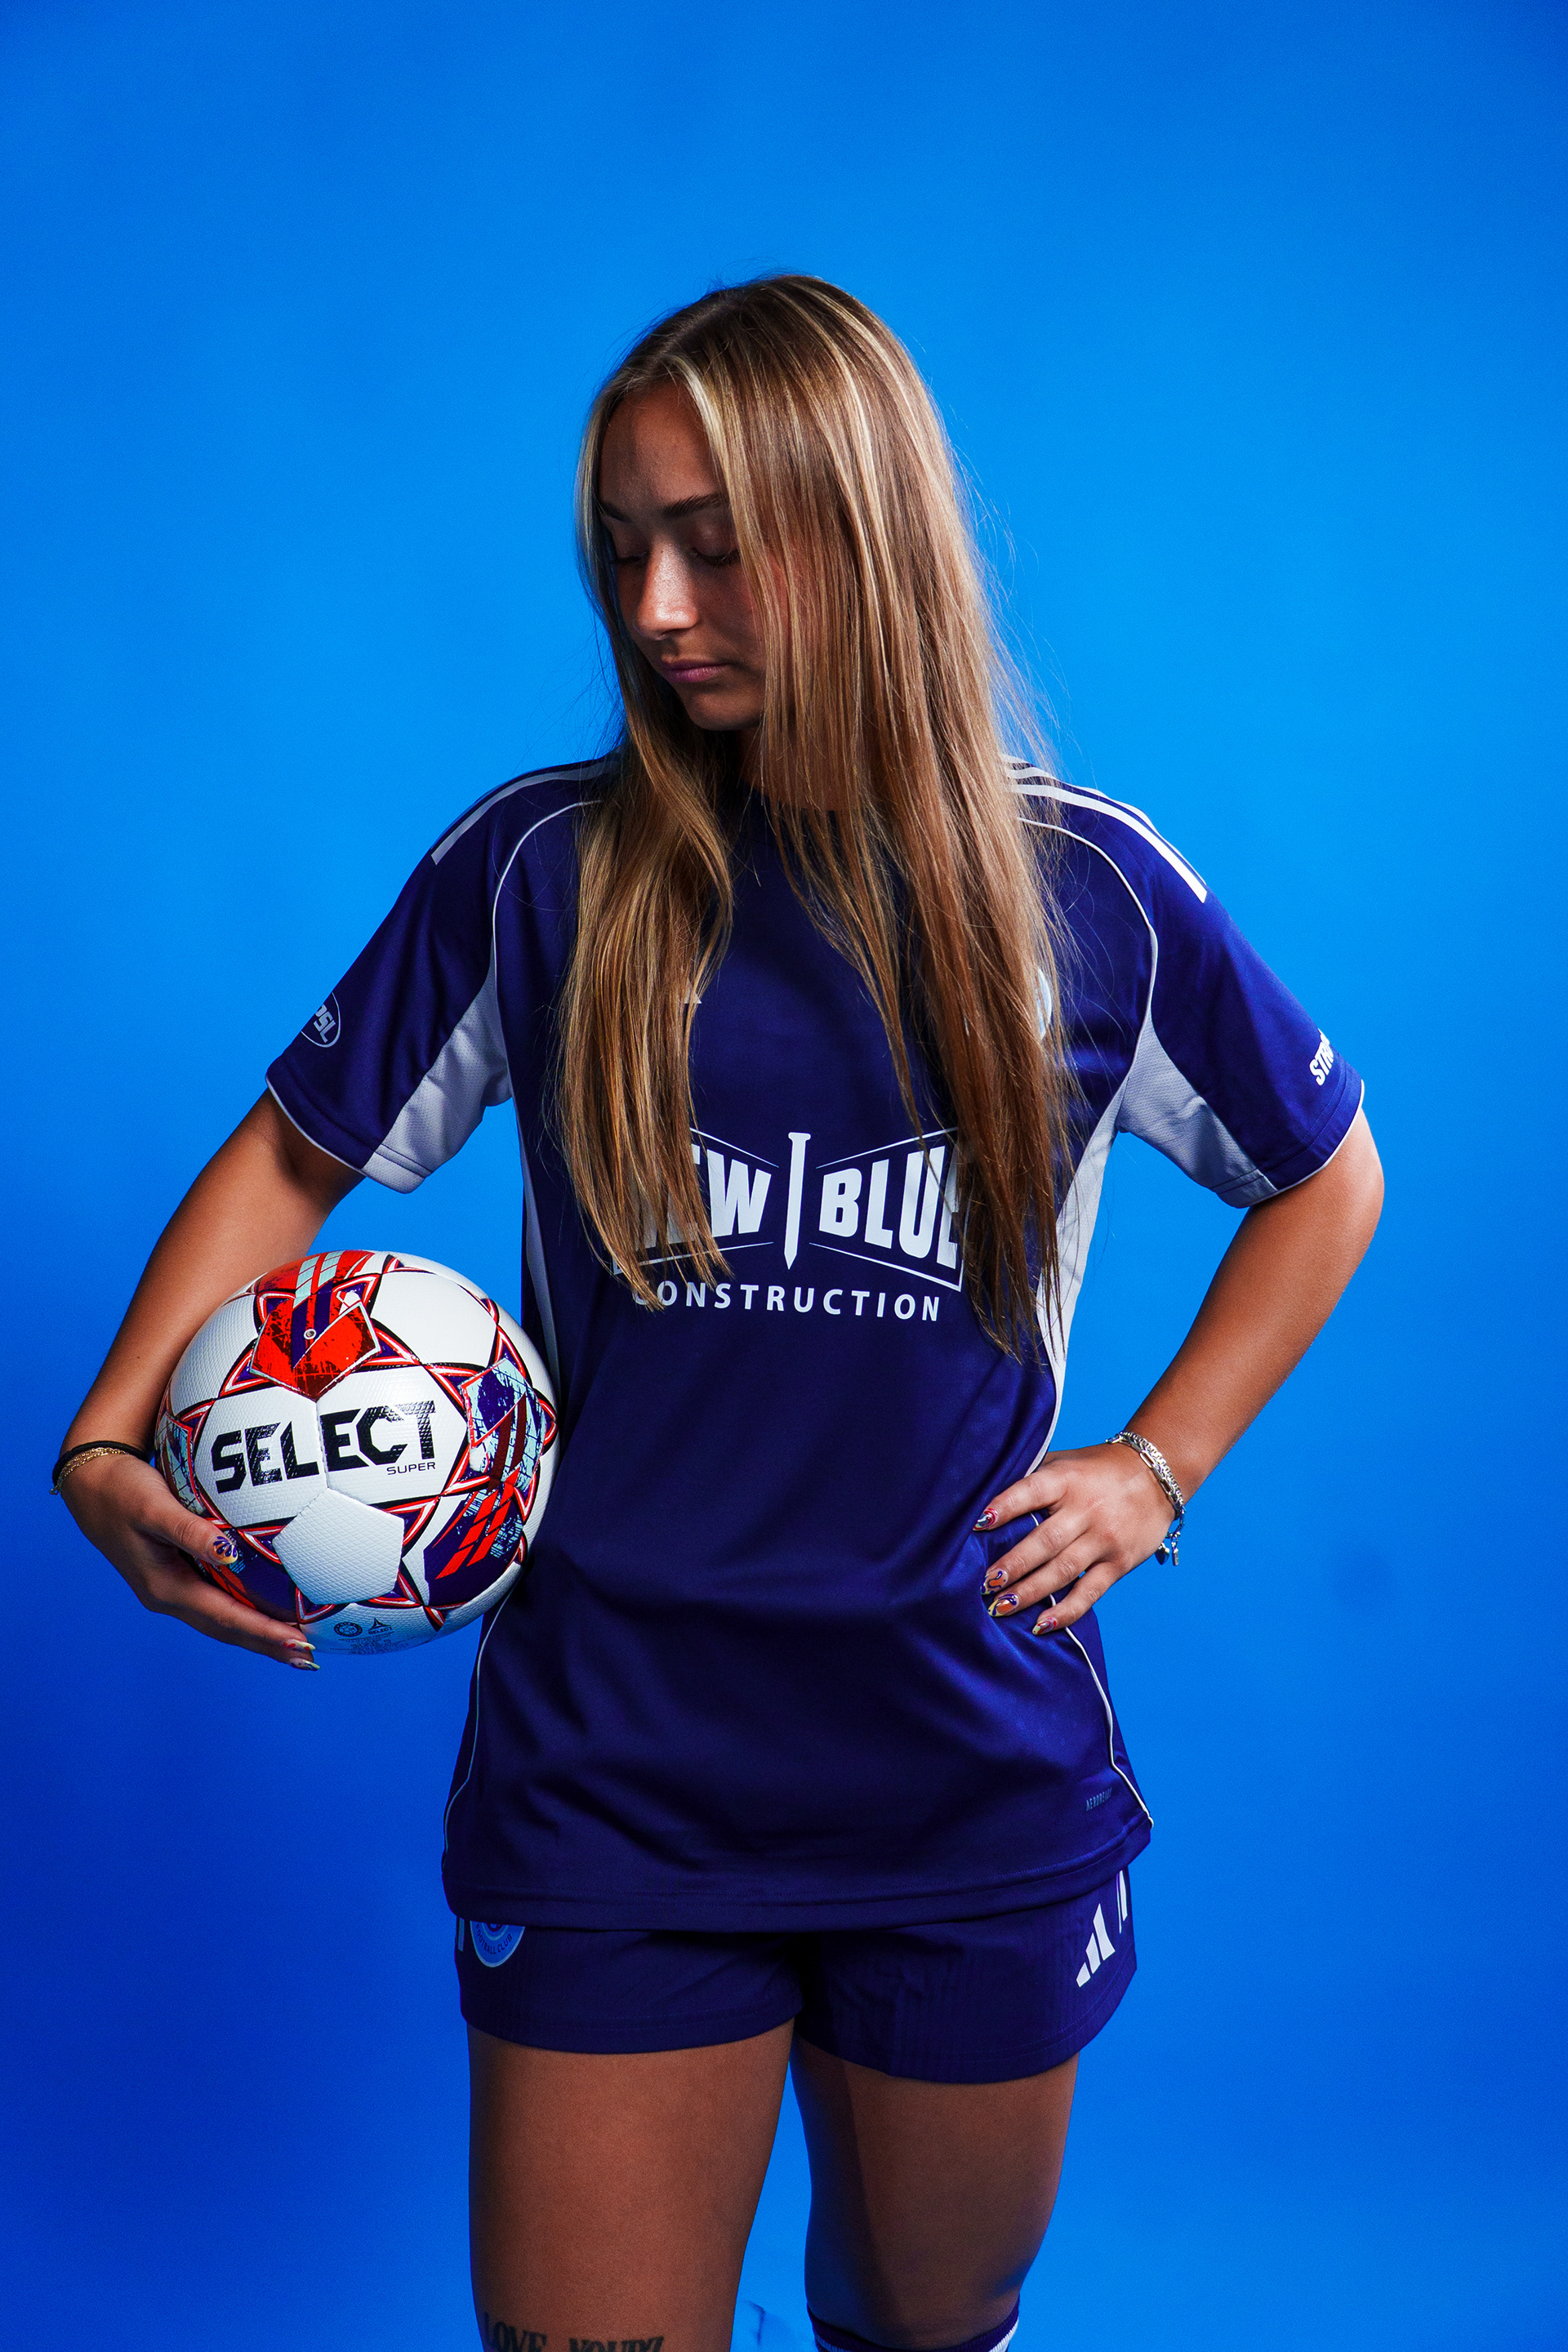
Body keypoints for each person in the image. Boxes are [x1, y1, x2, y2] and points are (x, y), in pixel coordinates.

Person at [56, 277, 1383, 2352]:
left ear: (867, 530)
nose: (659, 609)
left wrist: (1158, 1465)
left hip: (963, 1757)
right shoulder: (540, 873)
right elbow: (294, 1158)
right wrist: (102, 1435)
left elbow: (1329, 1174)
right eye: (622, 550)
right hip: (617, 1765)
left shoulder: (1089, 894)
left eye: (716, 542)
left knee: (925, 2311)